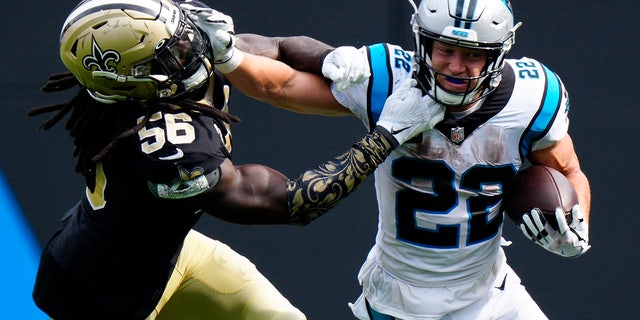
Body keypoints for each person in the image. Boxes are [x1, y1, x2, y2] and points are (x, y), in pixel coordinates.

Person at [28, 0, 445, 319]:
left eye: (184, 39)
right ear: (131, 81)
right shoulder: (162, 148)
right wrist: (384, 136)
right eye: (172, 56)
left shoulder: (159, 57)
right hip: (102, 299)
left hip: (170, 252)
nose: (190, 52)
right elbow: (289, 201)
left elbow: (277, 50)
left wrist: (346, 66)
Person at [184, 0, 592, 318]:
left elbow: (568, 170)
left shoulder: (533, 98)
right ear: (423, 43)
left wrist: (577, 226)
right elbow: (283, 85)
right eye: (445, 50)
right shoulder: (390, 81)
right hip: (402, 299)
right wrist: (229, 58)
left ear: (498, 54)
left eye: (472, 55)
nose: (455, 66)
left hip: (491, 290)